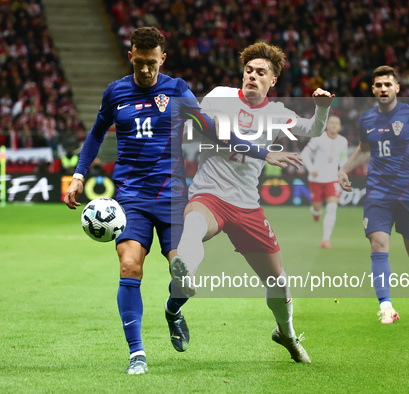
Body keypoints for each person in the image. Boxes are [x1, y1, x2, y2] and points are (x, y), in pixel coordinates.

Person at [63, 27, 277, 375]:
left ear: (163, 59)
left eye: (153, 64)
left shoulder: (177, 90)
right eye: (141, 63)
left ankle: (173, 310)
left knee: (186, 278)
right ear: (131, 57)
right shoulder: (115, 93)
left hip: (174, 198)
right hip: (131, 198)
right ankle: (136, 353)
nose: (147, 71)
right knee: (130, 265)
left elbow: (210, 126)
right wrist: (78, 175)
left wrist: (260, 151)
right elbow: (96, 133)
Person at [169, 42, 334, 363]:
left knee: (278, 281)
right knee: (194, 223)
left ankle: (285, 333)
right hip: (209, 192)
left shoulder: (277, 114)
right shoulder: (219, 96)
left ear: (273, 81)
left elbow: (313, 129)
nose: (252, 77)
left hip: (246, 205)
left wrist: (322, 107)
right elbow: (200, 124)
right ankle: (185, 270)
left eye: (261, 73)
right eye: (249, 71)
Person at [338, 65, 409, 324]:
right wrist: (344, 168)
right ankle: (386, 306)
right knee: (378, 244)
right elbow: (364, 150)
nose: (383, 89)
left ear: (397, 88)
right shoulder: (366, 119)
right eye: (379, 85)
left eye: (388, 84)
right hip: (378, 193)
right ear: (373, 89)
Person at [299, 115, 348, 249]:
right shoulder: (318, 138)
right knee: (317, 208)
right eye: (331, 122)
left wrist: (343, 172)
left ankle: (325, 240)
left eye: (336, 123)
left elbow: (343, 159)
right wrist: (311, 169)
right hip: (316, 179)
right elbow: (304, 154)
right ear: (326, 125)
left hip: (332, 179)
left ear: (340, 127)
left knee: (332, 208)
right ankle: (316, 212)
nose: (333, 125)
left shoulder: (343, 141)